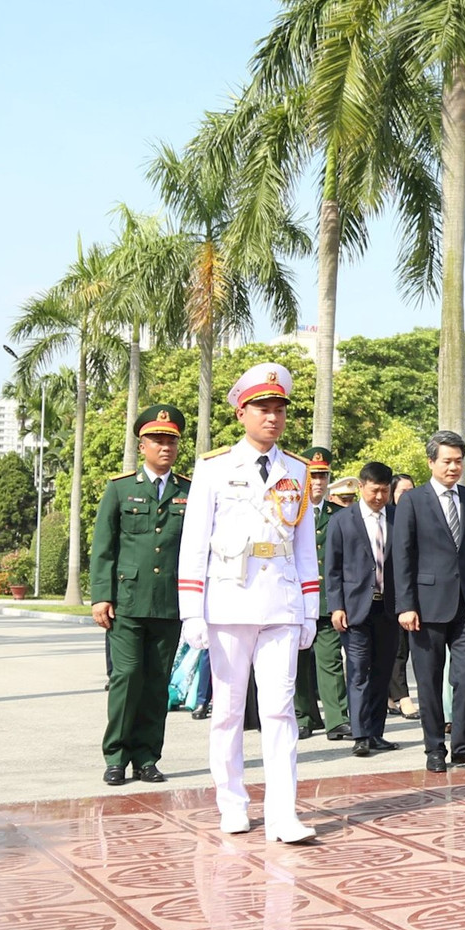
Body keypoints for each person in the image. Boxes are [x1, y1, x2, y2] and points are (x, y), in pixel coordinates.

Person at [177, 362, 320, 844]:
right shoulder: (214, 467)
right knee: (229, 710)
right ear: (242, 412)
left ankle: (283, 814)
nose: (272, 417)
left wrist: (309, 607)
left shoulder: (296, 469)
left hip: (280, 601)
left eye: (279, 408)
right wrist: (192, 610)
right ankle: (232, 802)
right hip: (229, 600)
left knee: (280, 709)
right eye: (262, 408)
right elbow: (194, 542)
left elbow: (304, 546)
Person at [89, 404, 192, 785]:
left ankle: (147, 757)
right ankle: (116, 755)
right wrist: (101, 595)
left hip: (169, 601)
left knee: (155, 683)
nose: (165, 447)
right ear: (142, 444)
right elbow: (103, 546)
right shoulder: (120, 488)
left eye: (171, 440)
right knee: (127, 677)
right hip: (128, 601)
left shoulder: (189, 491)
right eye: (157, 440)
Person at [393, 431, 465, 774]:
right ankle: (434, 748)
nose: (454, 467)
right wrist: (405, 604)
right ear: (431, 462)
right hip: (425, 606)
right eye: (447, 461)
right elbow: (403, 556)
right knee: (429, 679)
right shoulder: (413, 501)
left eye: (458, 461)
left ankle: (464, 746)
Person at [326, 461, 402, 758]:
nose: (380, 497)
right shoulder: (343, 521)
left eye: (385, 491)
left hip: (389, 608)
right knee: (358, 671)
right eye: (375, 491)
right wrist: (336, 607)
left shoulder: (397, 517)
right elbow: (332, 569)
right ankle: (359, 734)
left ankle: (376, 732)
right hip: (355, 608)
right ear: (361, 487)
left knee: (383, 671)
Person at [294, 446, 350, 743]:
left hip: (328, 601)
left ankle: (337, 719)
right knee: (300, 663)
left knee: (329, 661)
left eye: (323, 475)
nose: (318, 482)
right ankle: (304, 717)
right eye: (313, 475)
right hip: (297, 599)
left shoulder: (339, 515)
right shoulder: (290, 511)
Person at [388, 473, 418, 719]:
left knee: (408, 647)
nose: (407, 496)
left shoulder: (420, 515)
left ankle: (392, 695)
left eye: (411, 491)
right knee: (397, 647)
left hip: (417, 590)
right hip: (391, 591)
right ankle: (402, 697)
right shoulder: (388, 518)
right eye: (402, 492)